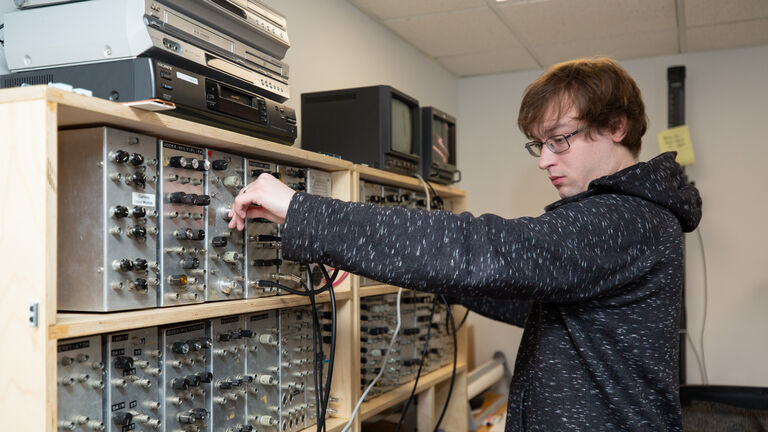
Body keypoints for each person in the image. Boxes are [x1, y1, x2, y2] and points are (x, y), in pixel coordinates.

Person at [228, 57, 702, 431]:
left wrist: (304, 211)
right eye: (538, 145)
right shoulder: (634, 216)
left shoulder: (624, 218)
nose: (544, 161)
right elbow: (540, 305)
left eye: (559, 140)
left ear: (617, 127)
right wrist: (424, 272)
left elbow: (486, 251)